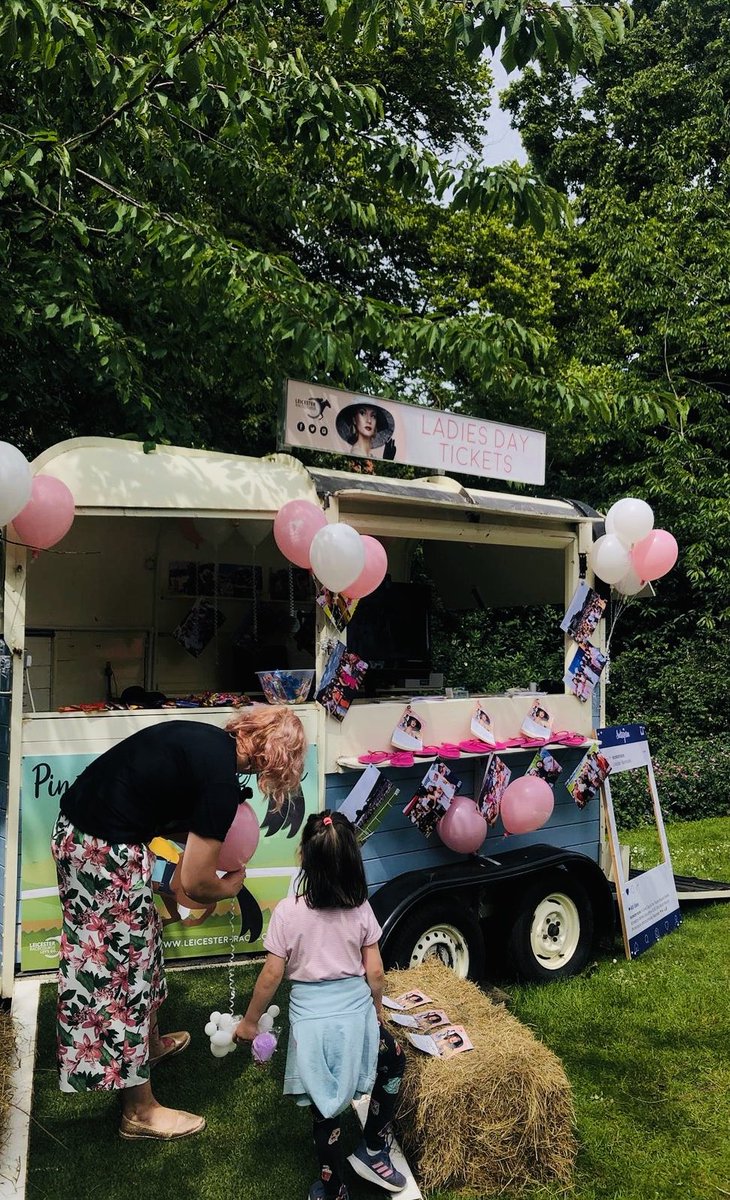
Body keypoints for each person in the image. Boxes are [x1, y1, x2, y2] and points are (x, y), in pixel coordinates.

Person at [50, 705, 306, 1141]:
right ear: (276, 758)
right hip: (99, 848)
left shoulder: (211, 745)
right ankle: (139, 1110)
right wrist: (230, 888)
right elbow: (194, 882)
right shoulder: (220, 780)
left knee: (143, 943)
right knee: (119, 974)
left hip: (90, 833)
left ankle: (145, 1048)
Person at [233, 811, 406, 1199]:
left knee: (325, 1108)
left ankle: (334, 1188)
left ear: (304, 857)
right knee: (393, 1059)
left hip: (312, 1026)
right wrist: (376, 1010)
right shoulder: (360, 908)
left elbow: (270, 976)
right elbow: (375, 973)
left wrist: (249, 1022)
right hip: (357, 1019)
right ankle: (375, 1147)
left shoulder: (288, 912)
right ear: (352, 860)